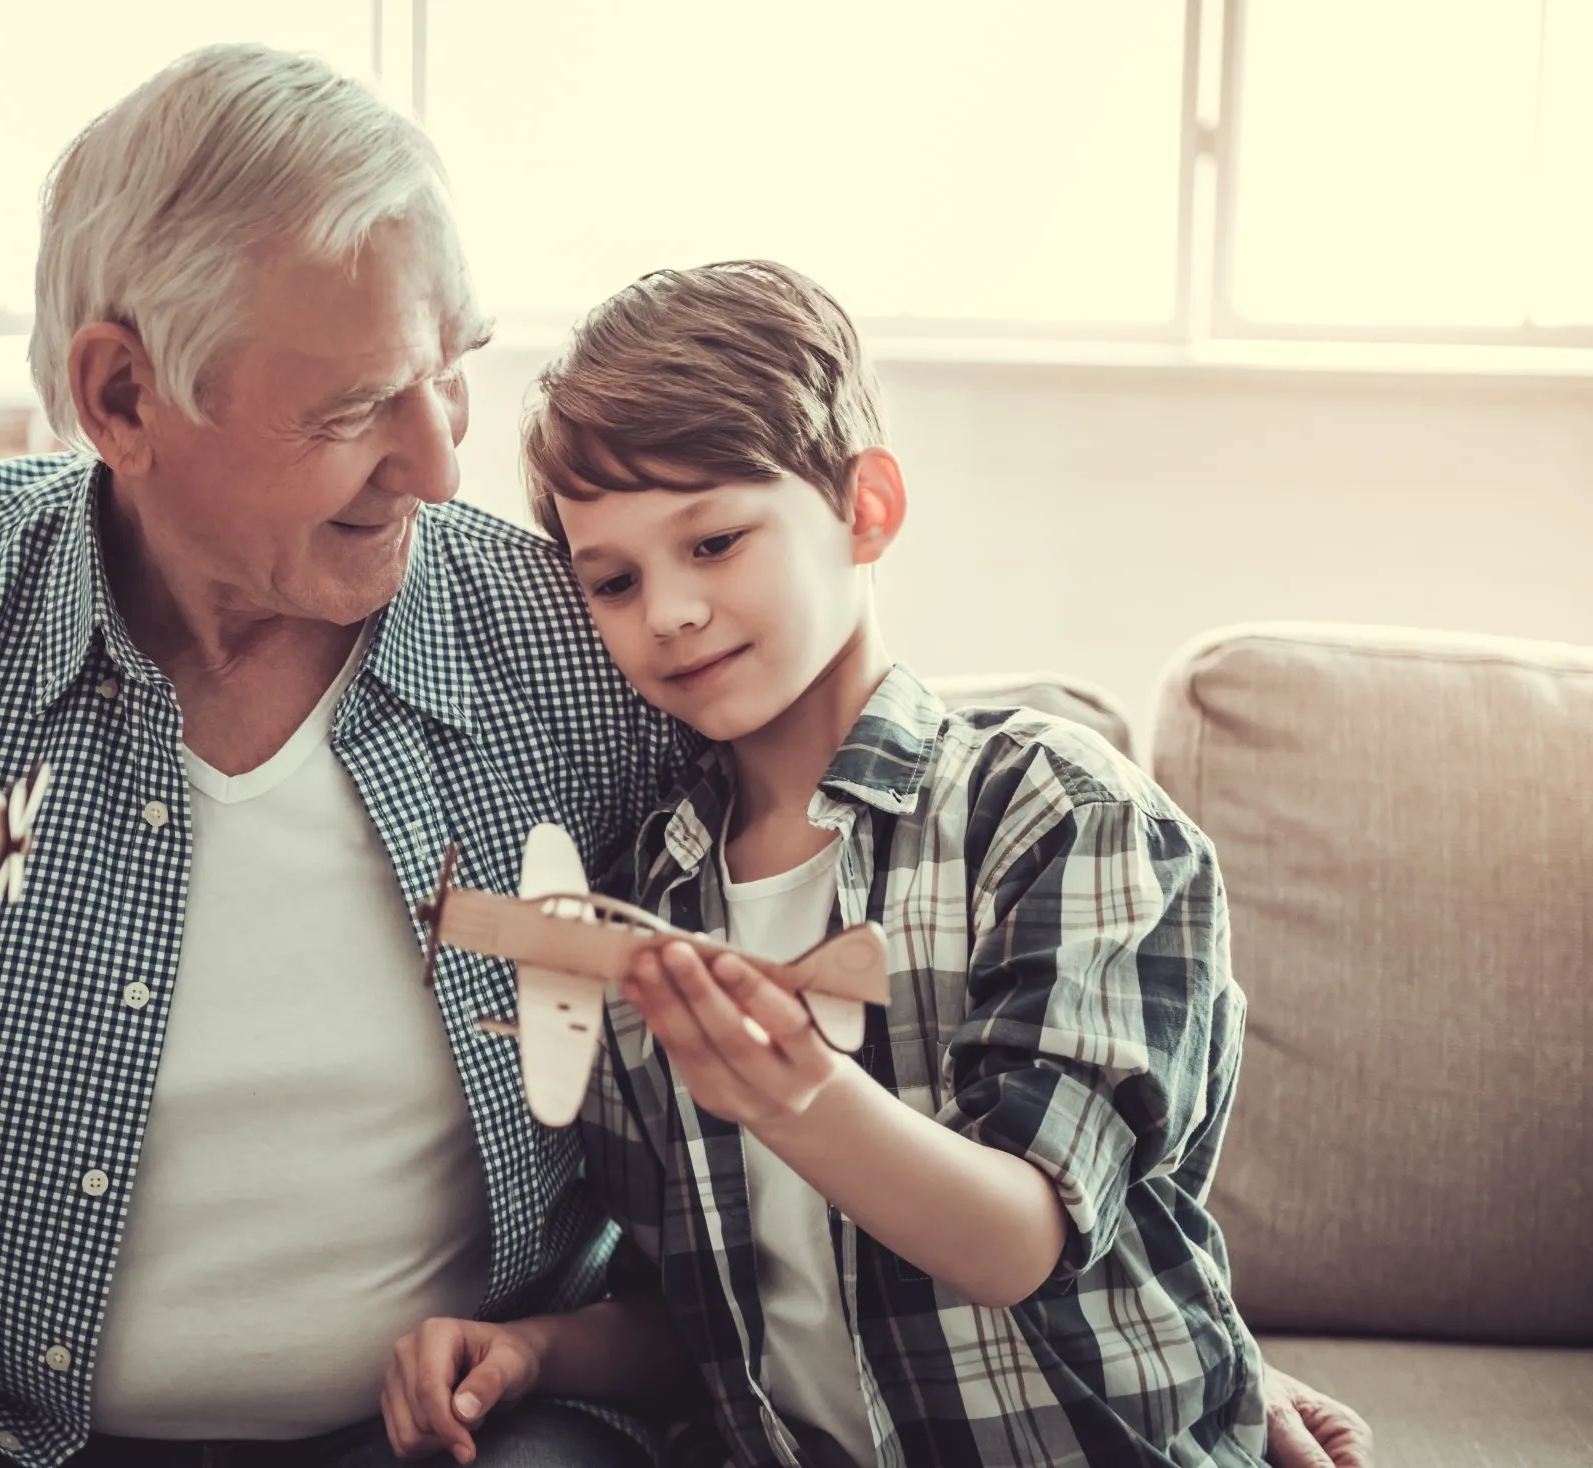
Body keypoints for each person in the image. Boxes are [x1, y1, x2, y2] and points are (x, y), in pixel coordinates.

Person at [0, 42, 1366, 1468]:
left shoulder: (566, 631)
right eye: (359, 404)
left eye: (454, 368)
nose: (443, 467)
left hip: (455, 1423)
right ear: (122, 391)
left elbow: (929, 958)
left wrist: (1179, 1351)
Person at [379, 262, 1374, 1468]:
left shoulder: (1057, 811)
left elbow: (1022, 1237)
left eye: (714, 539)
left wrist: (799, 1094)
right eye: (615, 580)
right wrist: (537, 1348)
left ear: (865, 510)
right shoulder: (645, 884)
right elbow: (706, 1315)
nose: (671, 612)